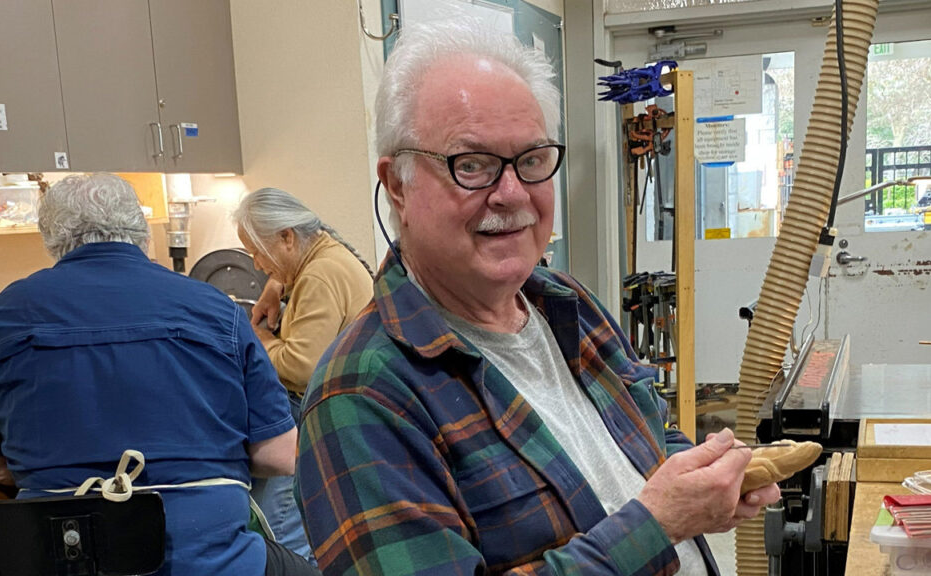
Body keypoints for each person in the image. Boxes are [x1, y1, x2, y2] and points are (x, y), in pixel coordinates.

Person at [295, 22, 781, 576]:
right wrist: (658, 523)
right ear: (398, 185)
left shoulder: (563, 302)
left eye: (530, 160)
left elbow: (642, 435)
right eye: (471, 164)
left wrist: (701, 478)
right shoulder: (362, 395)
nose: (511, 194)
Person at [0, 174, 319, 576]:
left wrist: (54, 471)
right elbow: (280, 454)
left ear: (52, 239)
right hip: (211, 561)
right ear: (141, 233)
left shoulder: (0, 318)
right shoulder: (215, 309)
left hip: (65, 557)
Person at [234, 187, 375, 563]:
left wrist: (259, 338)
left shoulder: (321, 274)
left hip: (316, 419)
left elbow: (302, 365)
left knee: (282, 535)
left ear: (287, 236)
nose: (257, 263)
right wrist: (276, 284)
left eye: (257, 252)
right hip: (337, 415)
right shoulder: (323, 257)